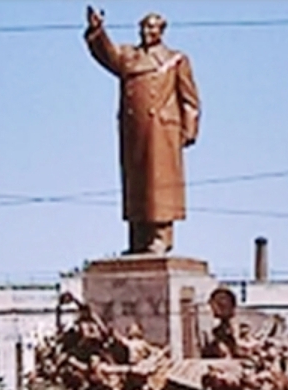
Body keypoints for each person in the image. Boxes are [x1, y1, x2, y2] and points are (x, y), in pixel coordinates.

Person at [84, 7, 201, 255]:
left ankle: (161, 237)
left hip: (163, 130)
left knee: (160, 183)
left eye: (152, 27)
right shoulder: (130, 57)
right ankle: (138, 237)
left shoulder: (176, 59)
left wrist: (189, 129)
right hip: (134, 131)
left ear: (161, 31)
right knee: (136, 183)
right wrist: (98, 31)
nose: (146, 32)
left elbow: (189, 98)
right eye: (144, 27)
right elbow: (108, 55)